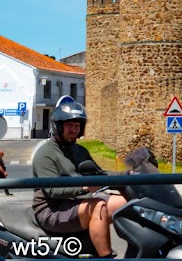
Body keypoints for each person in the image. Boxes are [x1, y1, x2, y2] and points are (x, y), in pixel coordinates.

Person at [32, 100, 127, 258]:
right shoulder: (46, 154)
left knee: (126, 203)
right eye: (69, 126)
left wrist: (130, 176)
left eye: (77, 126)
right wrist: (84, 187)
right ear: (58, 126)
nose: (73, 130)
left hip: (76, 201)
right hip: (51, 209)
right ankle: (105, 256)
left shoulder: (79, 150)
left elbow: (99, 175)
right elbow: (52, 190)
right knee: (98, 206)